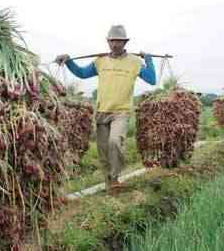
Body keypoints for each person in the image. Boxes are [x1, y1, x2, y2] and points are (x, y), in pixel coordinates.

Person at [55, 25, 156, 194]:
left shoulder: (134, 62)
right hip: (102, 111)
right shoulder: (100, 61)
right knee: (102, 150)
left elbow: (152, 80)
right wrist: (69, 61)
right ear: (108, 42)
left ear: (125, 43)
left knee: (114, 142)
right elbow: (82, 73)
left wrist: (149, 60)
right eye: (112, 41)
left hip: (121, 112)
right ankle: (109, 184)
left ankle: (115, 177)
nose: (115, 44)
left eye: (119, 41)